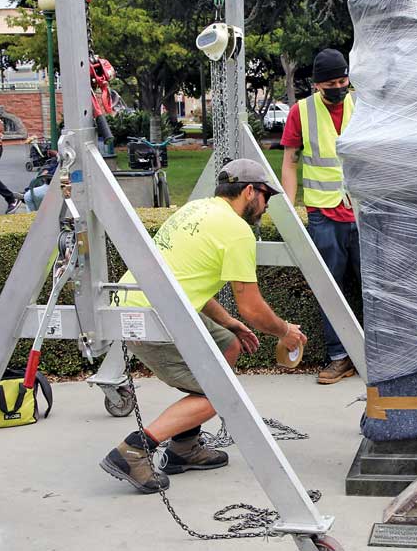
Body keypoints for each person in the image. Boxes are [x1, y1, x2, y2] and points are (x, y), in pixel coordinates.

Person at [100, 159, 308, 494]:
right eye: (266, 196)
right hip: (153, 318)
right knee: (220, 393)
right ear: (250, 191)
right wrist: (286, 332)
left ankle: (184, 448)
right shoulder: (238, 231)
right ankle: (134, 451)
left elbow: (181, 276)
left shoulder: (194, 210)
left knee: (228, 342)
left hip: (143, 305)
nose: (267, 205)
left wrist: (229, 322)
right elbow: (253, 308)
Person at [280, 48, 360, 385]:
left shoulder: (363, 106)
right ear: (316, 85)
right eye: (331, 84)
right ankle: (339, 357)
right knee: (331, 289)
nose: (338, 88)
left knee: (374, 287)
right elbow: (290, 162)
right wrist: (287, 208)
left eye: (343, 81)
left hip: (362, 211)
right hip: (323, 214)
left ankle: (377, 354)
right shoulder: (302, 112)